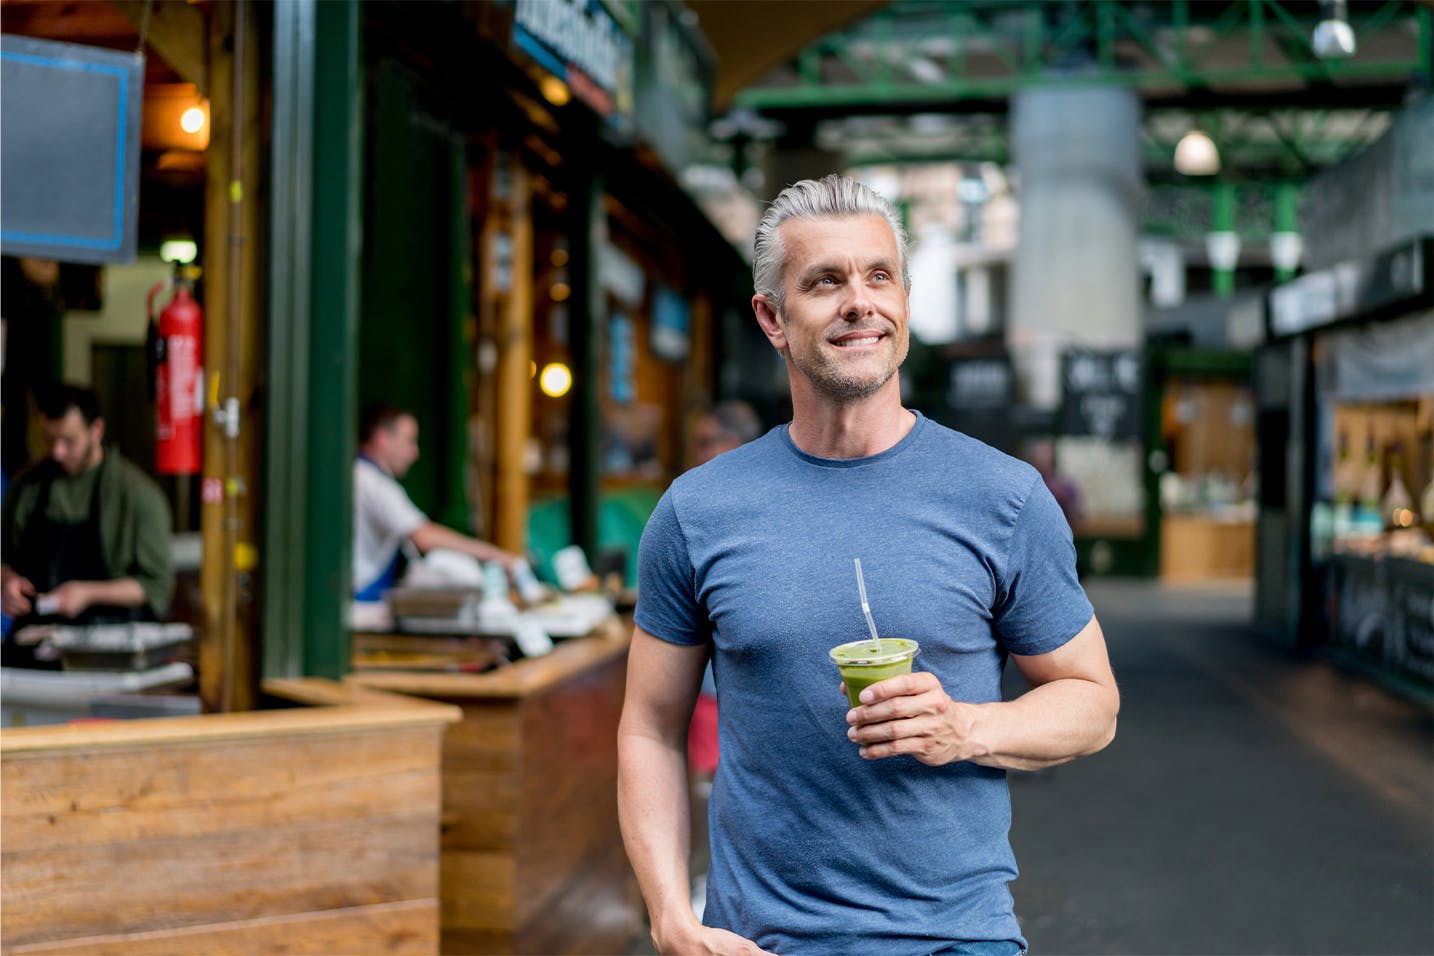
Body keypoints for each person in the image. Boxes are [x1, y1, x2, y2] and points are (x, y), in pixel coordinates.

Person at [618, 175, 1119, 955]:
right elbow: (651, 727)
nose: (859, 302)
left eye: (879, 276)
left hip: (956, 938)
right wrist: (671, 919)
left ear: (906, 306)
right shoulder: (697, 512)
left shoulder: (1003, 498)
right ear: (772, 318)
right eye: (825, 281)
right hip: (761, 941)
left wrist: (966, 727)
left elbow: (1093, 703)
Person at [1, 384, 174, 666]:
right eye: (50, 439)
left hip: (109, 654)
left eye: (69, 441)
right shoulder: (26, 486)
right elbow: (4, 554)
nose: (57, 452)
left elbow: (156, 586)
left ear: (96, 430)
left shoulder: (137, 495)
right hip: (33, 650)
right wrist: (5, 579)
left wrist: (87, 593)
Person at [352, 404, 514, 600]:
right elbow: (423, 536)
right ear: (382, 439)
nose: (414, 453)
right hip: (359, 598)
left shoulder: (362, 475)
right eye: (409, 441)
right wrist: (499, 557)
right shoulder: (371, 481)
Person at [686, 400, 763, 777]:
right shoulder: (694, 504)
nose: (697, 452)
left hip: (733, 690)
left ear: (729, 443)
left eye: (704, 442)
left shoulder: (726, 507)